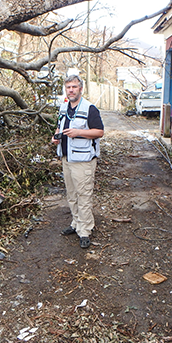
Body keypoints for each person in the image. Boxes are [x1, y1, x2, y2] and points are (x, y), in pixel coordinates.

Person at [51, 75, 104, 249]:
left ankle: (85, 230)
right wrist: (56, 136)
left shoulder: (90, 109)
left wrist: (78, 133)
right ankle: (76, 223)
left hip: (83, 161)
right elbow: (60, 126)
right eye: (68, 87)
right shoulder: (63, 107)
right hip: (66, 158)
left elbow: (99, 132)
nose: (71, 90)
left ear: (81, 89)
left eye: (74, 87)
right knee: (71, 195)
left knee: (84, 195)